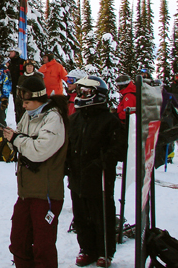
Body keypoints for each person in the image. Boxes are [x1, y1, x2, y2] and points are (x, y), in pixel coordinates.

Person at [2, 75, 69, 268]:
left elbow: (40, 150)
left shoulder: (53, 118)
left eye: (27, 102)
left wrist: (16, 139)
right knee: (19, 241)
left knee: (43, 247)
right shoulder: (30, 115)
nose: (23, 106)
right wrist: (12, 139)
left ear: (38, 99)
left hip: (46, 194)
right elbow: (23, 140)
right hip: (26, 192)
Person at [67, 76, 126, 267]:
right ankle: (87, 248)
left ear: (97, 94)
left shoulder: (109, 120)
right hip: (78, 176)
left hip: (99, 178)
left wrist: (100, 163)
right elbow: (67, 145)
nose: (81, 95)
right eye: (80, 91)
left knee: (101, 215)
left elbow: (119, 149)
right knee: (81, 215)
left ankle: (105, 251)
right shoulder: (74, 119)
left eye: (86, 92)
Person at [8, 48, 25, 123]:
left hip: (21, 87)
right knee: (16, 106)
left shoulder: (21, 62)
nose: (10, 53)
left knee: (22, 106)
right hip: (13, 87)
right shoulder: (10, 63)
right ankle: (18, 123)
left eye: (12, 52)